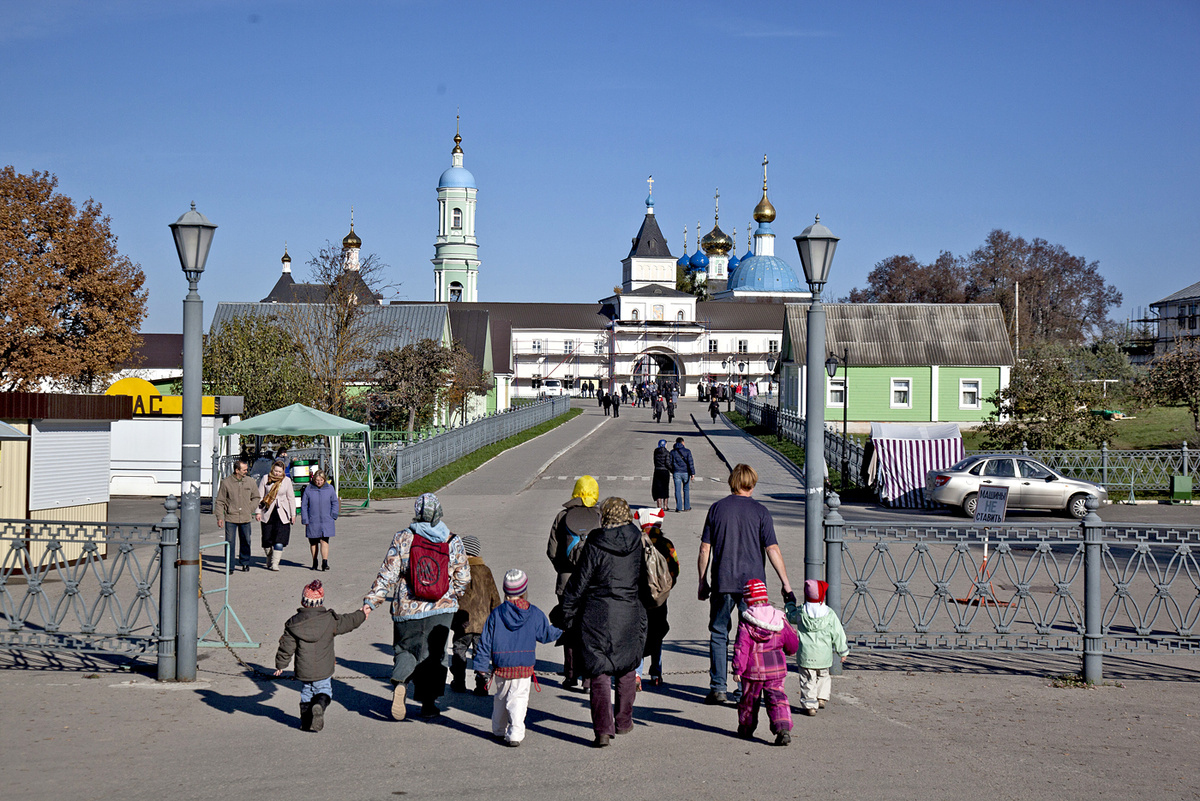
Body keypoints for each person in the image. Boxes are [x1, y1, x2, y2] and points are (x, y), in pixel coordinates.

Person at [362, 493, 470, 720]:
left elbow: (388, 573)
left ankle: (401, 683)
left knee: (406, 649)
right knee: (435, 656)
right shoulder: (452, 540)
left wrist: (373, 600)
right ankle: (429, 705)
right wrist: (452, 596)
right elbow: (463, 577)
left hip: (407, 609)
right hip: (441, 609)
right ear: (438, 512)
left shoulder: (403, 538)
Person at [697, 463, 794, 705]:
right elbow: (772, 549)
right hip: (754, 589)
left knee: (719, 632)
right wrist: (786, 584)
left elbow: (704, 548)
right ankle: (743, 691)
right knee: (750, 637)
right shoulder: (761, 511)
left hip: (722, 581)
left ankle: (718, 687)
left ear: (733, 482)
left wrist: (702, 580)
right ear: (751, 483)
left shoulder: (717, 509)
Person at [559, 497, 647, 748]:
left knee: (599, 672)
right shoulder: (637, 541)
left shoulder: (595, 542)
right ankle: (624, 721)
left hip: (597, 614)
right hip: (629, 611)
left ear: (604, 516)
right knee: (627, 667)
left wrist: (567, 612)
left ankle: (602, 731)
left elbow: (580, 581)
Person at [473, 569, 562, 747]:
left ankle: (498, 729)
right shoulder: (534, 613)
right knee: (518, 698)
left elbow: (485, 641)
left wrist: (481, 666)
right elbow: (545, 634)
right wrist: (563, 631)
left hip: (502, 665)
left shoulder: (496, 614)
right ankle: (515, 732)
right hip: (524, 665)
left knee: (500, 697)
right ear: (524, 590)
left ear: (506, 591)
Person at [274, 580, 368, 732]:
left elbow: (286, 647)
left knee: (306, 692)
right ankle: (319, 705)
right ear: (321, 602)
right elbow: (348, 621)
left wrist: (281, 665)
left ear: (303, 602)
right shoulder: (329, 620)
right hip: (324, 668)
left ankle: (305, 723)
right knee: (323, 689)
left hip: (304, 670)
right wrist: (362, 614)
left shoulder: (293, 623)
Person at [547, 475, 601, 689]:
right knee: (590, 629)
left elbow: (551, 551)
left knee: (569, 627)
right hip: (592, 583)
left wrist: (562, 569)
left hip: (566, 581)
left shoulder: (562, 516)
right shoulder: (599, 516)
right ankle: (588, 678)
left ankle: (570, 675)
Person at [732, 578, 799, 745]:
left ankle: (746, 727)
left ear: (747, 600)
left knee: (749, 700)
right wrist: (790, 651)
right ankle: (782, 728)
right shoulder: (779, 619)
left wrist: (738, 669)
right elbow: (792, 642)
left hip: (752, 670)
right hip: (775, 669)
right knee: (777, 698)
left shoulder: (747, 622)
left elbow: (742, 647)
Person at [785, 579, 849, 716]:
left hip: (806, 655)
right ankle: (821, 697)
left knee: (808, 679)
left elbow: (790, 616)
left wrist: (789, 603)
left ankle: (810, 705)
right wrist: (842, 651)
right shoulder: (829, 613)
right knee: (824, 676)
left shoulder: (801, 613)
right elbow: (838, 633)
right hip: (824, 655)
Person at [451, 534, 502, 696]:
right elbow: (494, 597)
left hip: (462, 621)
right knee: (481, 654)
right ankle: (482, 685)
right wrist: (497, 618)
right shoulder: (486, 571)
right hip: (483, 623)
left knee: (459, 651)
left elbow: (452, 596)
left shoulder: (458, 570)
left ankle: (459, 682)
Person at [636, 508, 678, 687]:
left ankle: (637, 673)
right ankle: (656, 673)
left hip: (639, 597)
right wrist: (666, 588)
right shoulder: (667, 544)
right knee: (658, 632)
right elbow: (675, 569)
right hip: (660, 597)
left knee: (638, 634)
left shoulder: (635, 542)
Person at [215, 457, 261, 572]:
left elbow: (256, 497)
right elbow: (220, 501)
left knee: (246, 540)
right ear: (237, 470)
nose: (246, 471)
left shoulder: (250, 481)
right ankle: (230, 566)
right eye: (244, 470)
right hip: (231, 517)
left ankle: (245, 562)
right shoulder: (226, 483)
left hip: (245, 517)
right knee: (230, 542)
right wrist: (220, 517)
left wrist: (250, 508)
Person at [257, 460, 296, 571]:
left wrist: (293, 514)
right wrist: (258, 512)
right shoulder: (265, 478)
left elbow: (291, 498)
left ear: (283, 471)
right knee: (266, 540)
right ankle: (269, 556)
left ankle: (275, 563)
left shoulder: (287, 481)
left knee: (280, 540)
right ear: (272, 469)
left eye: (280, 471)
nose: (277, 473)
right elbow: (260, 496)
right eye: (276, 471)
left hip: (282, 513)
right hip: (268, 511)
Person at [301, 469, 338, 572]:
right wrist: (305, 519)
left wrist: (333, 515)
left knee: (324, 540)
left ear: (324, 479)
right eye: (317, 480)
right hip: (313, 520)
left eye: (321, 480)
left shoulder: (330, 489)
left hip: (326, 519)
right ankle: (314, 561)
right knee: (313, 542)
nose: (319, 482)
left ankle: (325, 561)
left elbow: (335, 502)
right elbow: (304, 505)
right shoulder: (309, 489)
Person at [670, 437, 695, 513]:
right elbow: (690, 463)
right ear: (683, 442)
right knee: (686, 490)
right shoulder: (687, 451)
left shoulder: (672, 452)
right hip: (686, 473)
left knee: (677, 490)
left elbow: (670, 463)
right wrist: (692, 473)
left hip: (676, 472)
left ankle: (679, 507)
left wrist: (673, 471)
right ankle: (687, 507)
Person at [651, 439, 672, 511]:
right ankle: (665, 506)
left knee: (658, 488)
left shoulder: (656, 452)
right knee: (665, 488)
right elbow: (667, 463)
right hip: (665, 471)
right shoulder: (667, 452)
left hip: (657, 470)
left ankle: (659, 506)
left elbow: (654, 461)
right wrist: (671, 469)